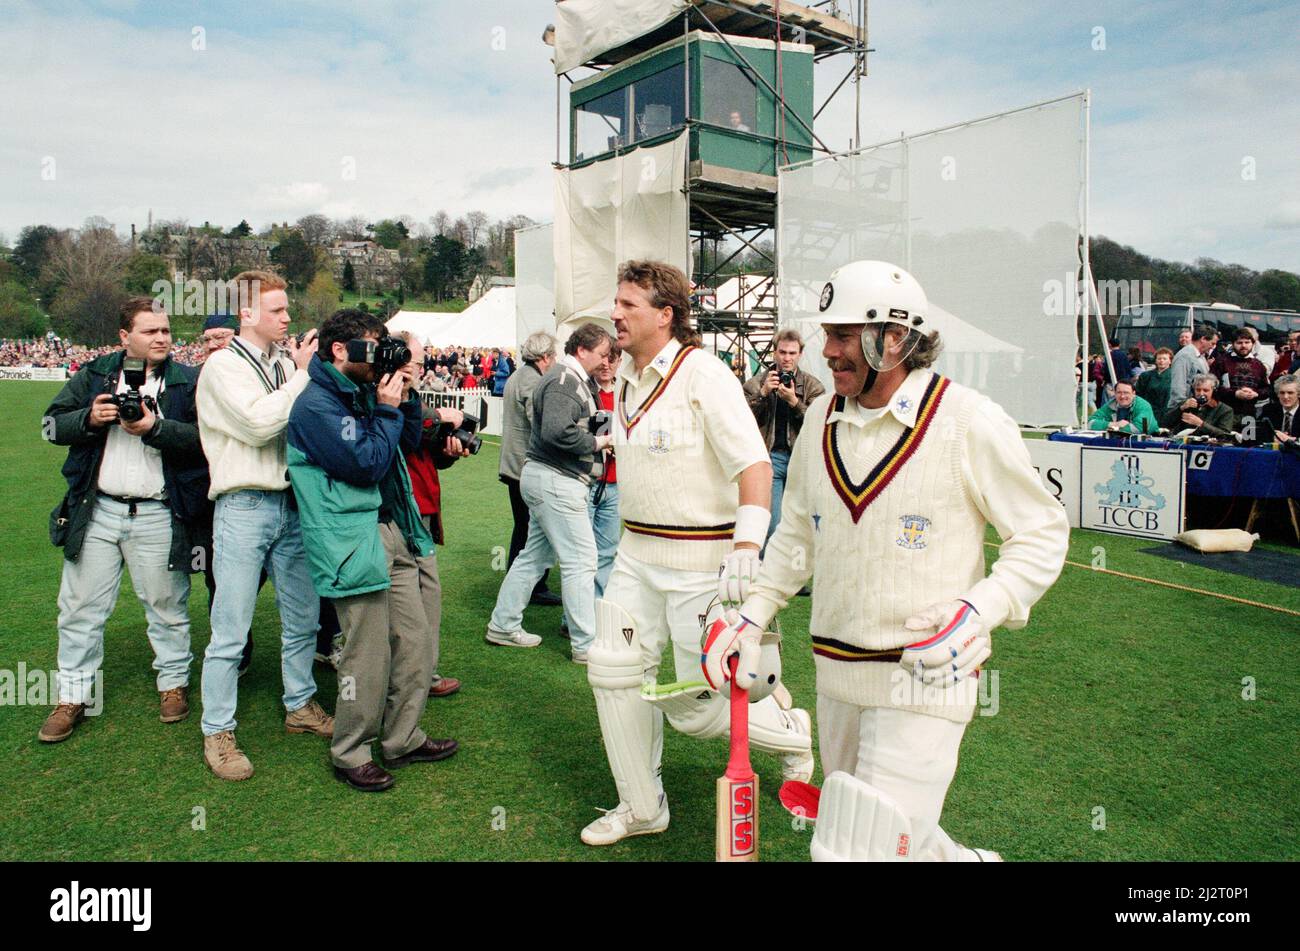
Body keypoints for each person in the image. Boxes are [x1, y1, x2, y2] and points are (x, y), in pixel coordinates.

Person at [704, 260, 1069, 861]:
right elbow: (797, 536)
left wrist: (980, 610)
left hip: (925, 677)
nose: (827, 351)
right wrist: (753, 614)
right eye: (827, 334)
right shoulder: (820, 418)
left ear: (894, 337)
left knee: (854, 850)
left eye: (843, 335)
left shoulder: (967, 420)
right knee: (900, 843)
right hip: (837, 675)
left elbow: (1041, 532)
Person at [581, 260, 813, 847]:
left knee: (696, 706)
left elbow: (754, 464)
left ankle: (790, 730)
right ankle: (641, 807)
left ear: (666, 314)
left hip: (699, 561)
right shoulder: (627, 378)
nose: (615, 314)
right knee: (611, 671)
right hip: (635, 554)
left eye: (629, 305)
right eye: (616, 303)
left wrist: (746, 543)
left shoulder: (703, 373)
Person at [287, 310, 458, 792]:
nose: (381, 355)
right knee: (366, 654)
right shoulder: (315, 405)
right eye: (372, 346)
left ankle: (402, 737)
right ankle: (350, 751)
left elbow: (401, 444)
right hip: (350, 540)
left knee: (417, 639)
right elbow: (365, 463)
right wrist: (384, 407)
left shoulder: (363, 391)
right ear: (340, 351)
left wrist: (401, 395)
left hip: (391, 528)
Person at [38, 297, 210, 742]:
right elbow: (50, 427)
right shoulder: (95, 374)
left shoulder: (187, 381)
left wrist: (155, 428)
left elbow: (206, 442)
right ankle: (72, 695)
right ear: (124, 337)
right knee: (79, 607)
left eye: (166, 331)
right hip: (97, 508)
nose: (161, 338)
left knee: (167, 605)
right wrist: (89, 418)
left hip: (158, 509)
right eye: (151, 331)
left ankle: (172, 683)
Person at [196, 270, 332, 782]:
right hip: (244, 505)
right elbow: (257, 425)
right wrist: (302, 374)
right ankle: (218, 729)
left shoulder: (281, 363)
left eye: (286, 308)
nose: (288, 317)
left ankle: (300, 704)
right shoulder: (221, 367)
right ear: (246, 314)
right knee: (230, 628)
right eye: (277, 310)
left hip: (292, 505)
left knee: (303, 619)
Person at [485, 322, 613, 662]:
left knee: (534, 556)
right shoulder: (563, 380)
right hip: (558, 480)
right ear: (582, 350)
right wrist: (599, 442)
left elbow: (565, 428)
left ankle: (503, 624)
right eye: (602, 354)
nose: (606, 361)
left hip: (546, 478)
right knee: (582, 562)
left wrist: (598, 440)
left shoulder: (567, 378)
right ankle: (585, 645)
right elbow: (558, 432)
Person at [393, 330, 468, 699]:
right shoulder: (392, 396)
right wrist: (439, 418)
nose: (422, 368)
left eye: (421, 362)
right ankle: (421, 675)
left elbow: (427, 452)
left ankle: (422, 672)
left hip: (419, 504)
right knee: (421, 595)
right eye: (418, 361)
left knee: (422, 595)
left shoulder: (408, 395)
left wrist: (447, 449)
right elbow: (406, 438)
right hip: (406, 509)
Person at [742, 328, 825, 543]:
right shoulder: (756, 383)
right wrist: (762, 394)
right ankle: (765, 569)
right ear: (774, 353)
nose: (787, 358)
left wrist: (794, 402)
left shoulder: (812, 386)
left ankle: (799, 569)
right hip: (772, 458)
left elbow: (820, 423)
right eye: (782, 352)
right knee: (772, 523)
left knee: (805, 521)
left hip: (803, 458)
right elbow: (740, 419)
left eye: (792, 353)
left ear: (800, 354)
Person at [500, 331, 562, 607]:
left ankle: (528, 583)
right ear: (545, 357)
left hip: (516, 464)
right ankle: (531, 585)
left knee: (524, 528)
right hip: (524, 465)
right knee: (530, 530)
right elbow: (539, 424)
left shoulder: (519, 375)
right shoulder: (532, 381)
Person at [1215, 328, 1271, 426]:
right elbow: (1213, 388)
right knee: (1225, 440)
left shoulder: (1258, 365)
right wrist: (1235, 393)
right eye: (1239, 342)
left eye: (1247, 342)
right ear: (1233, 344)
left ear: (1253, 344)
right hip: (1225, 413)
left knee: (1249, 440)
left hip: (1250, 414)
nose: (1243, 345)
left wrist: (1256, 394)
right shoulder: (1221, 361)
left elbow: (1267, 389)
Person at [1164, 374, 1235, 438]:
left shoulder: (1225, 410)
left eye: (1206, 390)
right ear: (1193, 390)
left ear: (1213, 391)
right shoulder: (1186, 404)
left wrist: (1201, 424)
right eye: (1198, 390)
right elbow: (1164, 423)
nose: (1201, 393)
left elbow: (1225, 435)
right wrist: (1181, 408)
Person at [1168, 324, 1218, 410]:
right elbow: (1178, 386)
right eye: (1212, 343)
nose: (1212, 347)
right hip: (1185, 409)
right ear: (1203, 339)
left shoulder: (1201, 356)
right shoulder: (1184, 356)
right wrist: (1182, 407)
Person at [1088, 379, 1158, 434]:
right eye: (1119, 392)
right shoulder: (1110, 405)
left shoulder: (1143, 406)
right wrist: (1114, 424)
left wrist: (1111, 429)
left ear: (1133, 393)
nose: (1122, 396)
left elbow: (1139, 429)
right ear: (1114, 393)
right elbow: (1089, 423)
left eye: (1126, 392)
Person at [1259, 375, 1300, 446]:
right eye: (1282, 393)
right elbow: (1258, 433)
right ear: (1277, 394)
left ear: (1299, 394)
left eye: (1290, 393)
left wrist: (1291, 440)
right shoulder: (1269, 409)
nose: (1285, 397)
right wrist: (1273, 438)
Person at [1135, 347, 1173, 413]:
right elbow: (1138, 394)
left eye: (1164, 359)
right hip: (1146, 411)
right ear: (1155, 360)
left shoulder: (1174, 376)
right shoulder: (1145, 375)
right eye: (1159, 358)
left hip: (1165, 414)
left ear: (1170, 361)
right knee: (1144, 423)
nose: (1161, 361)